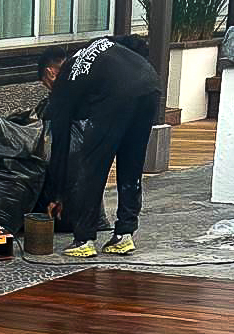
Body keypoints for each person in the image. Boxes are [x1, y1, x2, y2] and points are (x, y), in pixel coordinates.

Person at [38, 34, 162, 259]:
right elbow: (132, 44)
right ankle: (124, 235)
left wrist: (56, 195)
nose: (49, 90)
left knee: (91, 164)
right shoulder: (90, 52)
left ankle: (84, 239)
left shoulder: (65, 81)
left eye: (46, 85)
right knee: (131, 162)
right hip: (150, 84)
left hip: (116, 94)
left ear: (50, 73)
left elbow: (61, 145)